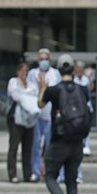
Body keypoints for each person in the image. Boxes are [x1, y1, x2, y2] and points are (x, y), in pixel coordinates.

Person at [37, 54, 90, 194]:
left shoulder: (54, 90)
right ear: (73, 69)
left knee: (50, 175)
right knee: (71, 180)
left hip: (59, 140)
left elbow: (40, 105)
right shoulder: (83, 90)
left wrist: (42, 88)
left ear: (59, 70)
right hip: (77, 141)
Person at [27, 48, 61, 182]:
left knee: (51, 146)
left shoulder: (55, 74)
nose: (43, 62)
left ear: (50, 60)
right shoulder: (32, 74)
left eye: (46, 59)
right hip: (36, 114)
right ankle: (35, 171)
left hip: (50, 115)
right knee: (35, 145)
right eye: (41, 59)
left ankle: (52, 171)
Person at [6, 61, 38, 183]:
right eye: (23, 71)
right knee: (14, 147)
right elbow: (16, 96)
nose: (25, 73)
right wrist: (27, 97)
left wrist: (26, 96)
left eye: (27, 71)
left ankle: (28, 174)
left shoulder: (31, 84)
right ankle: (12, 174)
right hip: (16, 119)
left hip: (29, 119)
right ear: (18, 72)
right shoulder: (13, 82)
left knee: (27, 148)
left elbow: (35, 96)